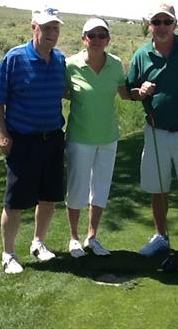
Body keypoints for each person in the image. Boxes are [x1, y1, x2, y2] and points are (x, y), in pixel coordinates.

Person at [126, 3, 178, 267]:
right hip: (155, 132)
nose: (162, 27)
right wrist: (140, 93)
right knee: (157, 189)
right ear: (149, 25)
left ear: (175, 23)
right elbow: (129, 92)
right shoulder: (141, 55)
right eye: (156, 22)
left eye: (167, 22)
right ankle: (161, 236)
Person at [0, 7, 66, 274]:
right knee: (15, 201)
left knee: (49, 197)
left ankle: (38, 242)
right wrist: (3, 133)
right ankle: (8, 254)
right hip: (23, 141)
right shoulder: (15, 58)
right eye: (46, 28)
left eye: (55, 28)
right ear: (34, 28)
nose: (51, 33)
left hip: (54, 138)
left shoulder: (59, 60)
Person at [64, 17, 130, 258]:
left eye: (102, 35)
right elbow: (61, 92)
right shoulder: (70, 65)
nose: (97, 40)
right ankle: (73, 239)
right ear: (84, 39)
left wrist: (143, 92)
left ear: (109, 40)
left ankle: (92, 237)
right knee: (77, 188)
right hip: (80, 137)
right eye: (92, 35)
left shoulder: (115, 64)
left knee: (100, 188)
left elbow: (124, 93)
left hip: (108, 137)